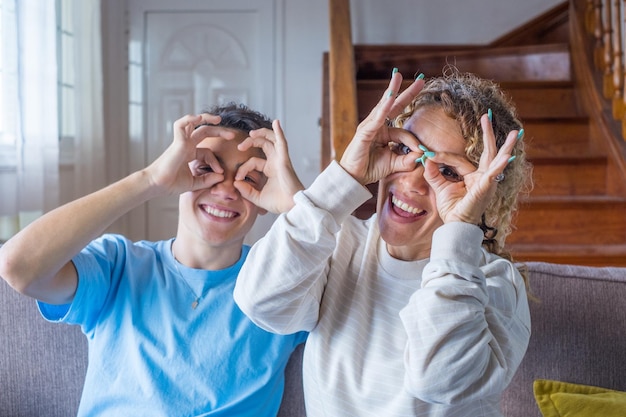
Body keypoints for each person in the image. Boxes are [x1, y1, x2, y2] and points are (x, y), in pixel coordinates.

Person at [233, 68, 532, 416]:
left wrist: (461, 227)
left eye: (448, 172)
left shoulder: (495, 284)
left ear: (484, 196)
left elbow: (438, 380)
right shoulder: (340, 244)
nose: (414, 183)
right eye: (406, 149)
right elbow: (260, 302)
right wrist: (343, 176)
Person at [0, 103, 307, 416]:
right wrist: (150, 180)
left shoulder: (281, 280)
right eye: (207, 169)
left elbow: (357, 295)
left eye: (249, 179)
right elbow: (18, 266)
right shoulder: (119, 264)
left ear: (266, 197)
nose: (227, 190)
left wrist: (300, 206)